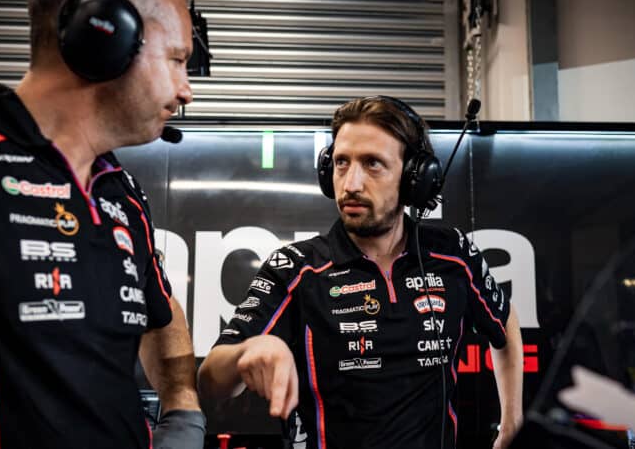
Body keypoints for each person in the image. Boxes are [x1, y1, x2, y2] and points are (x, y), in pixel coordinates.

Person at [199, 96, 524, 449]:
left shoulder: (453, 253)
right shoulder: (295, 268)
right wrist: (248, 350)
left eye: (372, 164)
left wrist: (511, 423)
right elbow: (209, 380)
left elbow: (503, 321)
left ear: (416, 178)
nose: (351, 183)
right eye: (341, 162)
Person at [0, 0, 204, 448]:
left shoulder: (121, 190)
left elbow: (158, 310)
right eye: (177, 59)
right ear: (106, 34)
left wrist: (184, 411)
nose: (187, 90)